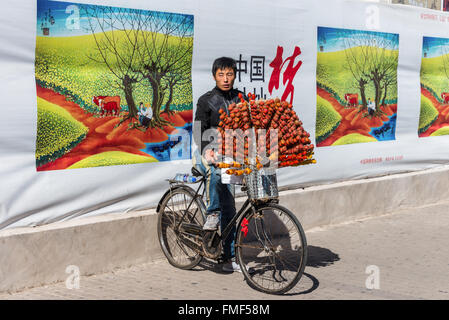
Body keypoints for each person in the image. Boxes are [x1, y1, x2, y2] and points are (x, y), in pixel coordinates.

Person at [193, 57, 247, 272]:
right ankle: (212, 214)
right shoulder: (206, 100)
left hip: (231, 155)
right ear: (214, 76)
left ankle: (230, 256)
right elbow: (199, 130)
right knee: (216, 174)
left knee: (231, 208)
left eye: (230, 74)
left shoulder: (241, 98)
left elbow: (249, 126)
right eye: (221, 75)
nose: (226, 79)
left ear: (235, 75)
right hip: (209, 154)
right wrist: (209, 150)